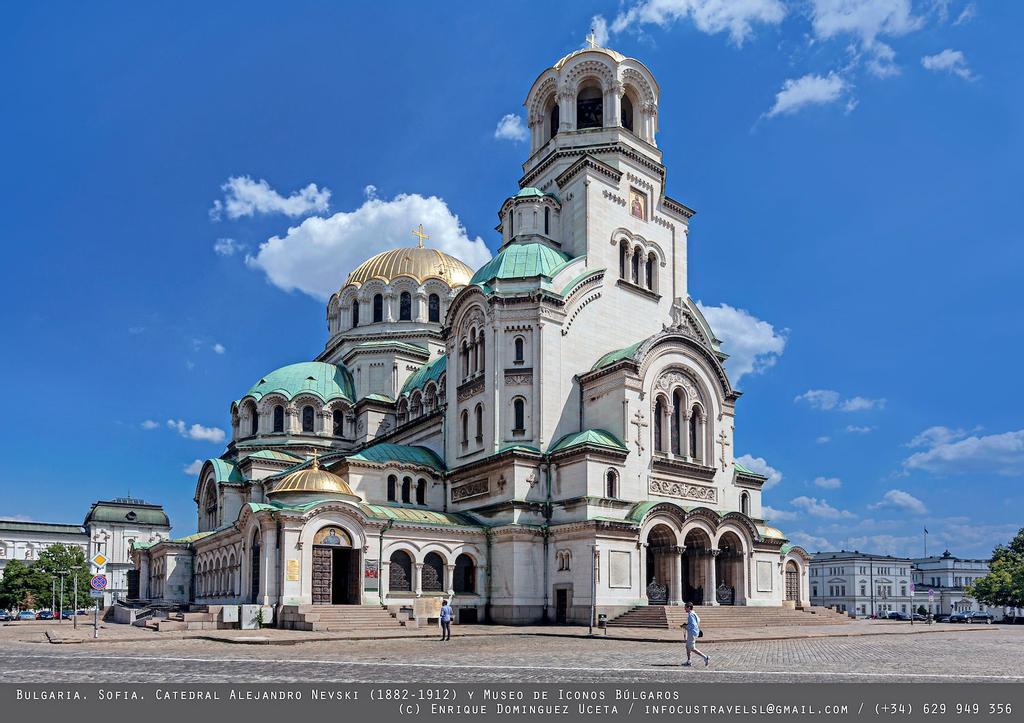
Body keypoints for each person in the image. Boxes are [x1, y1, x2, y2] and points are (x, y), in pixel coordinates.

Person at [682, 602, 709, 667]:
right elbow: (698, 621)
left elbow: (693, 625)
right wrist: (687, 625)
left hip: (692, 633)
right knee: (687, 647)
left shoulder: (690, 615)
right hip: (694, 632)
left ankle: (705, 657)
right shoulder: (694, 613)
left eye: (685, 607)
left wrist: (686, 627)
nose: (684, 609)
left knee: (692, 648)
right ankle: (689, 661)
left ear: (689, 607)